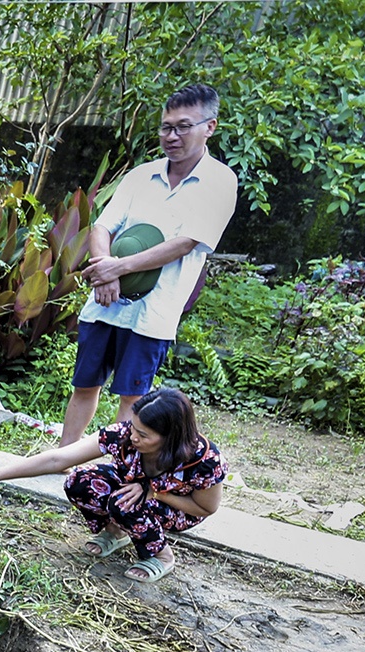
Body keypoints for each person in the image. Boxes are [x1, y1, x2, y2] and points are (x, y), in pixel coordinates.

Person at [58, 84, 238, 446]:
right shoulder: (141, 175)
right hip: (104, 304)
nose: (171, 136)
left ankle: (116, 471)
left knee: (132, 397)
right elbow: (102, 226)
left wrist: (115, 269)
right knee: (84, 384)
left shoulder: (220, 182)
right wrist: (105, 267)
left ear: (210, 127)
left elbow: (184, 243)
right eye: (166, 127)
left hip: (153, 313)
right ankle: (62, 459)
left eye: (183, 126)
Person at [0, 387, 223, 584]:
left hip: (177, 508)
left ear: (170, 439)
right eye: (133, 428)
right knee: (79, 481)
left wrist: (155, 493)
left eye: (143, 435)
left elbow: (204, 508)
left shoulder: (205, 460)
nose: (133, 437)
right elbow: (60, 458)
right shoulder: (125, 435)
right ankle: (115, 532)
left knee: (124, 502)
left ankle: (161, 555)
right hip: (133, 489)